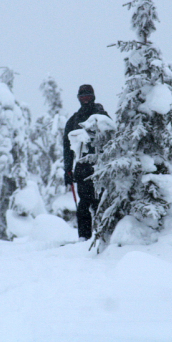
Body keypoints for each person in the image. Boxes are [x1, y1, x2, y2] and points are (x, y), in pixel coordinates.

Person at [63, 84, 109, 240]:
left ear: (93, 97)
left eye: (88, 97)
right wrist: (68, 170)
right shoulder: (73, 120)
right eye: (82, 97)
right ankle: (84, 239)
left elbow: (113, 141)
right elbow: (67, 148)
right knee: (83, 205)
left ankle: (103, 238)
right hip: (82, 169)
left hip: (100, 167)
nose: (85, 100)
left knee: (101, 203)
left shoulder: (102, 117)